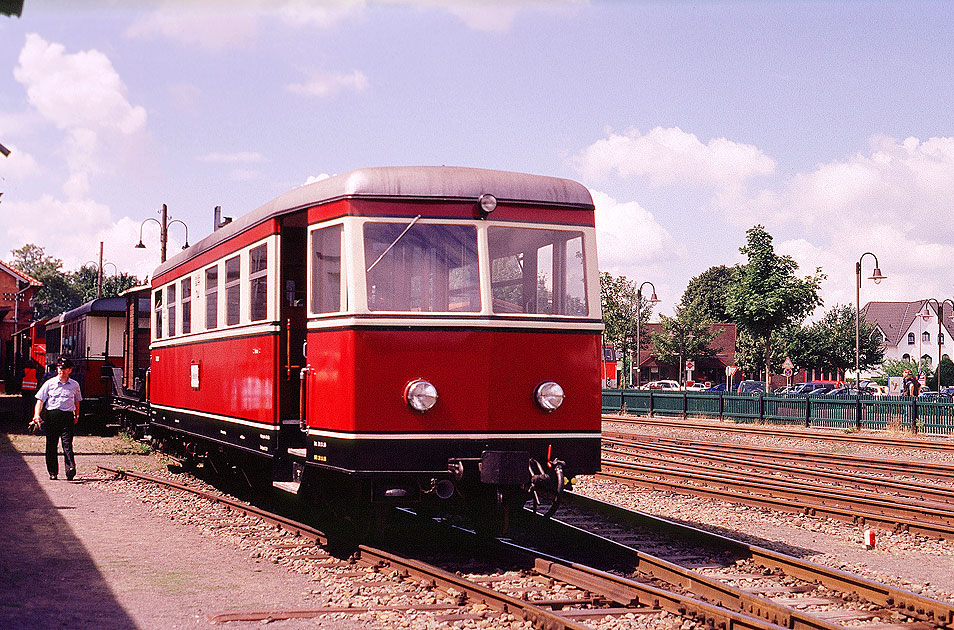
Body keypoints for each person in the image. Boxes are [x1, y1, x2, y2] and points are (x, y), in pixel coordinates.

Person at [33, 357, 83, 481]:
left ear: (70, 370)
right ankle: (53, 472)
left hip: (67, 417)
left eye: (64, 368)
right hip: (52, 416)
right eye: (60, 368)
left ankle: (70, 469)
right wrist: (37, 415)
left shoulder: (75, 385)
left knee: (67, 444)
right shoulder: (49, 383)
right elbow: (40, 401)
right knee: (51, 445)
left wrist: (76, 415)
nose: (61, 371)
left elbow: (77, 401)